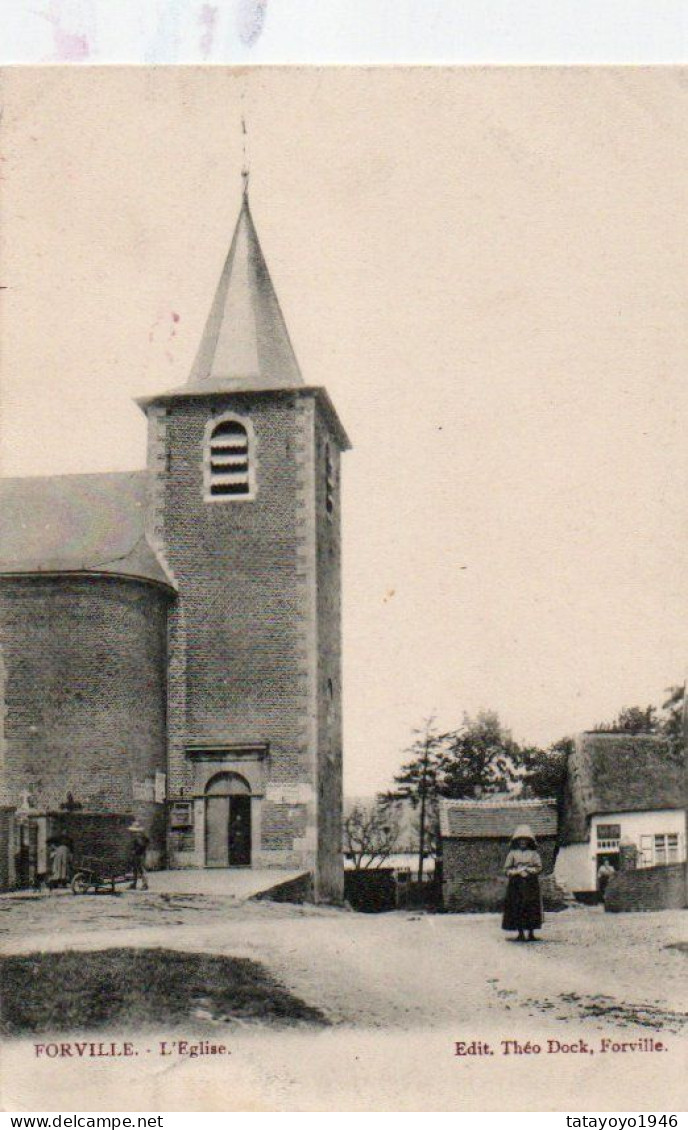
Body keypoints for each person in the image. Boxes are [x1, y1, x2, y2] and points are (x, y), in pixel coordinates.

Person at [502, 824, 543, 942]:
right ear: (517, 842)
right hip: (516, 884)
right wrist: (516, 872)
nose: (523, 842)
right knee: (517, 906)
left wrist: (528, 870)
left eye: (525, 840)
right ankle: (520, 933)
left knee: (531, 906)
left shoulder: (534, 854)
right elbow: (506, 869)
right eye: (520, 840)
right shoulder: (512, 854)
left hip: (531, 883)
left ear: (529, 841)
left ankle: (531, 933)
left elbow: (539, 867)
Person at [128, 822, 150, 891]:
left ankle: (145, 884)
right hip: (136, 854)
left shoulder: (140, 836)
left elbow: (142, 845)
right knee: (135, 869)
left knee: (141, 869)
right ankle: (134, 884)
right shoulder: (136, 836)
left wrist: (135, 851)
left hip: (140, 854)